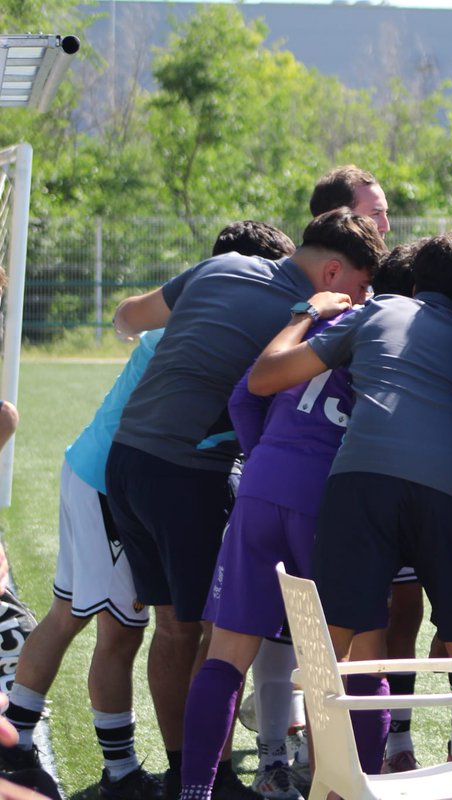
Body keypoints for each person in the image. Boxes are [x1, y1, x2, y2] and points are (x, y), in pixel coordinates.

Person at [0, 222, 295, 800]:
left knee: (103, 620)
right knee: (104, 624)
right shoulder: (215, 330)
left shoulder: (198, 317)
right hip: (110, 483)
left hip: (100, 472)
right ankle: (54, 757)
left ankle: (56, 750)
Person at [103, 209, 383, 797]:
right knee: (349, 655)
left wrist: (260, 461)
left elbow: (132, 318)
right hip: (194, 472)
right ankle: (345, 783)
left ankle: (192, 779)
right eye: (360, 285)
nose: (366, 296)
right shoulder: (335, 321)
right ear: (333, 272)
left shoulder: (226, 264)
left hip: (128, 458)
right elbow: (259, 385)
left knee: (189, 634)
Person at [248, 231, 452, 768]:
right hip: (449, 491)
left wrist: (303, 313)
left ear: (413, 283)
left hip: (360, 482)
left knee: (329, 650)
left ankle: (330, 782)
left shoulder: (378, 310)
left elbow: (265, 378)